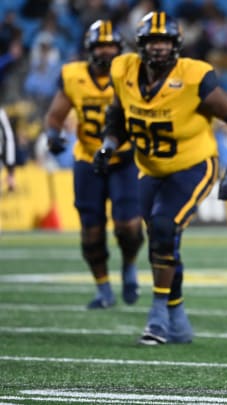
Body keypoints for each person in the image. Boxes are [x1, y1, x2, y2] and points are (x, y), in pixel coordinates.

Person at [93, 11, 227, 345]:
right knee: (162, 244)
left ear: (177, 44)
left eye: (165, 41)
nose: (159, 48)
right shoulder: (123, 70)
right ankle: (178, 318)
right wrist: (109, 145)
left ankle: (158, 318)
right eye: (153, 41)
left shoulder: (194, 77)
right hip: (150, 169)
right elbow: (118, 113)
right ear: (140, 45)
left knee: (164, 229)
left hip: (193, 165)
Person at [44, 20, 144, 309]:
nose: (106, 51)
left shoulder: (131, 73)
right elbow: (55, 116)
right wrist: (53, 135)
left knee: (128, 226)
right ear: (89, 48)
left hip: (124, 158)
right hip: (88, 159)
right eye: (101, 46)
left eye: (111, 45)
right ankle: (103, 289)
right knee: (91, 230)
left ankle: (129, 265)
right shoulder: (73, 75)